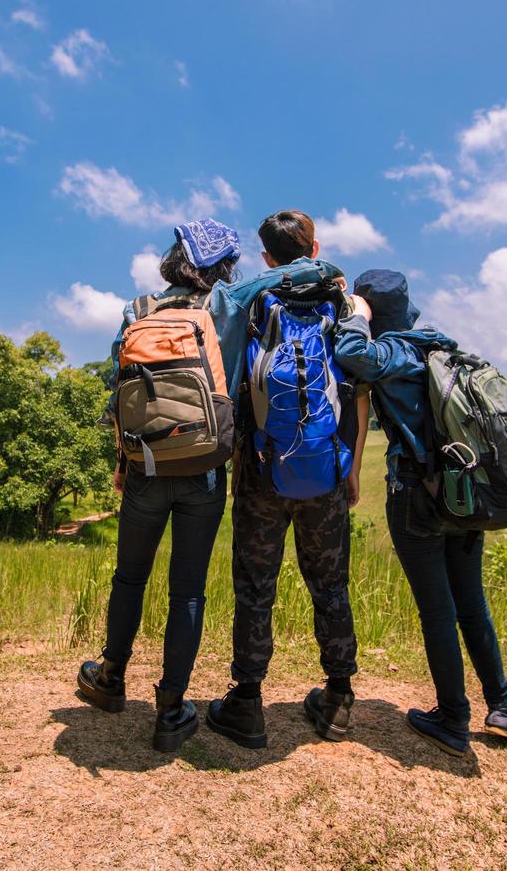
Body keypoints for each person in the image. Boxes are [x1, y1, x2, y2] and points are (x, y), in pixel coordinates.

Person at [333, 269, 507, 757]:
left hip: (417, 497)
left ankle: (453, 717)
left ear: (373, 310)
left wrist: (356, 317)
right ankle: (501, 706)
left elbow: (353, 354)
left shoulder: (395, 351)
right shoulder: (439, 347)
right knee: (471, 602)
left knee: (438, 610)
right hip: (464, 494)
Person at [75, 217, 241, 752]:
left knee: (130, 578)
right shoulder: (227, 308)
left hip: (145, 464)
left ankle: (111, 677)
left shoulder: (137, 310)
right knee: (186, 590)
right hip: (204, 468)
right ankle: (171, 709)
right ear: (222, 266)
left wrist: (123, 461)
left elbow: (121, 388)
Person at [203, 210, 363, 749]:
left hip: (261, 468)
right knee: (331, 583)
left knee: (254, 587)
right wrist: (353, 467)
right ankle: (338, 698)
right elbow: (356, 389)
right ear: (314, 246)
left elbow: (225, 378)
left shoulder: (251, 302)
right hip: (326, 470)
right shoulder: (339, 302)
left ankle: (247, 703)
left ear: (266, 258)